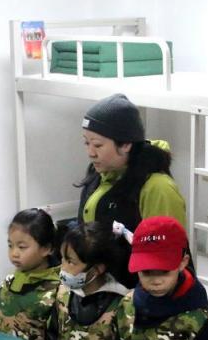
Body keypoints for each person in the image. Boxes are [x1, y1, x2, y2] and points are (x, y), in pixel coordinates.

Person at [76, 93, 186, 287]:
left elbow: (166, 259)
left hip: (134, 294)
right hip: (102, 289)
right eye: (86, 143)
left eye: (98, 145)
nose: (90, 152)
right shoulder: (100, 172)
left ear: (126, 144)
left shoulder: (157, 188)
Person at [44, 221, 130, 340]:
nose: (62, 268)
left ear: (97, 269)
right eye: (62, 259)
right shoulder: (63, 294)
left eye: (71, 262)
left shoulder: (120, 305)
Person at [0, 208, 59, 340]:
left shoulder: (57, 292)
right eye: (10, 245)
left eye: (22, 247)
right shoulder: (8, 284)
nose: (14, 253)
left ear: (46, 249)